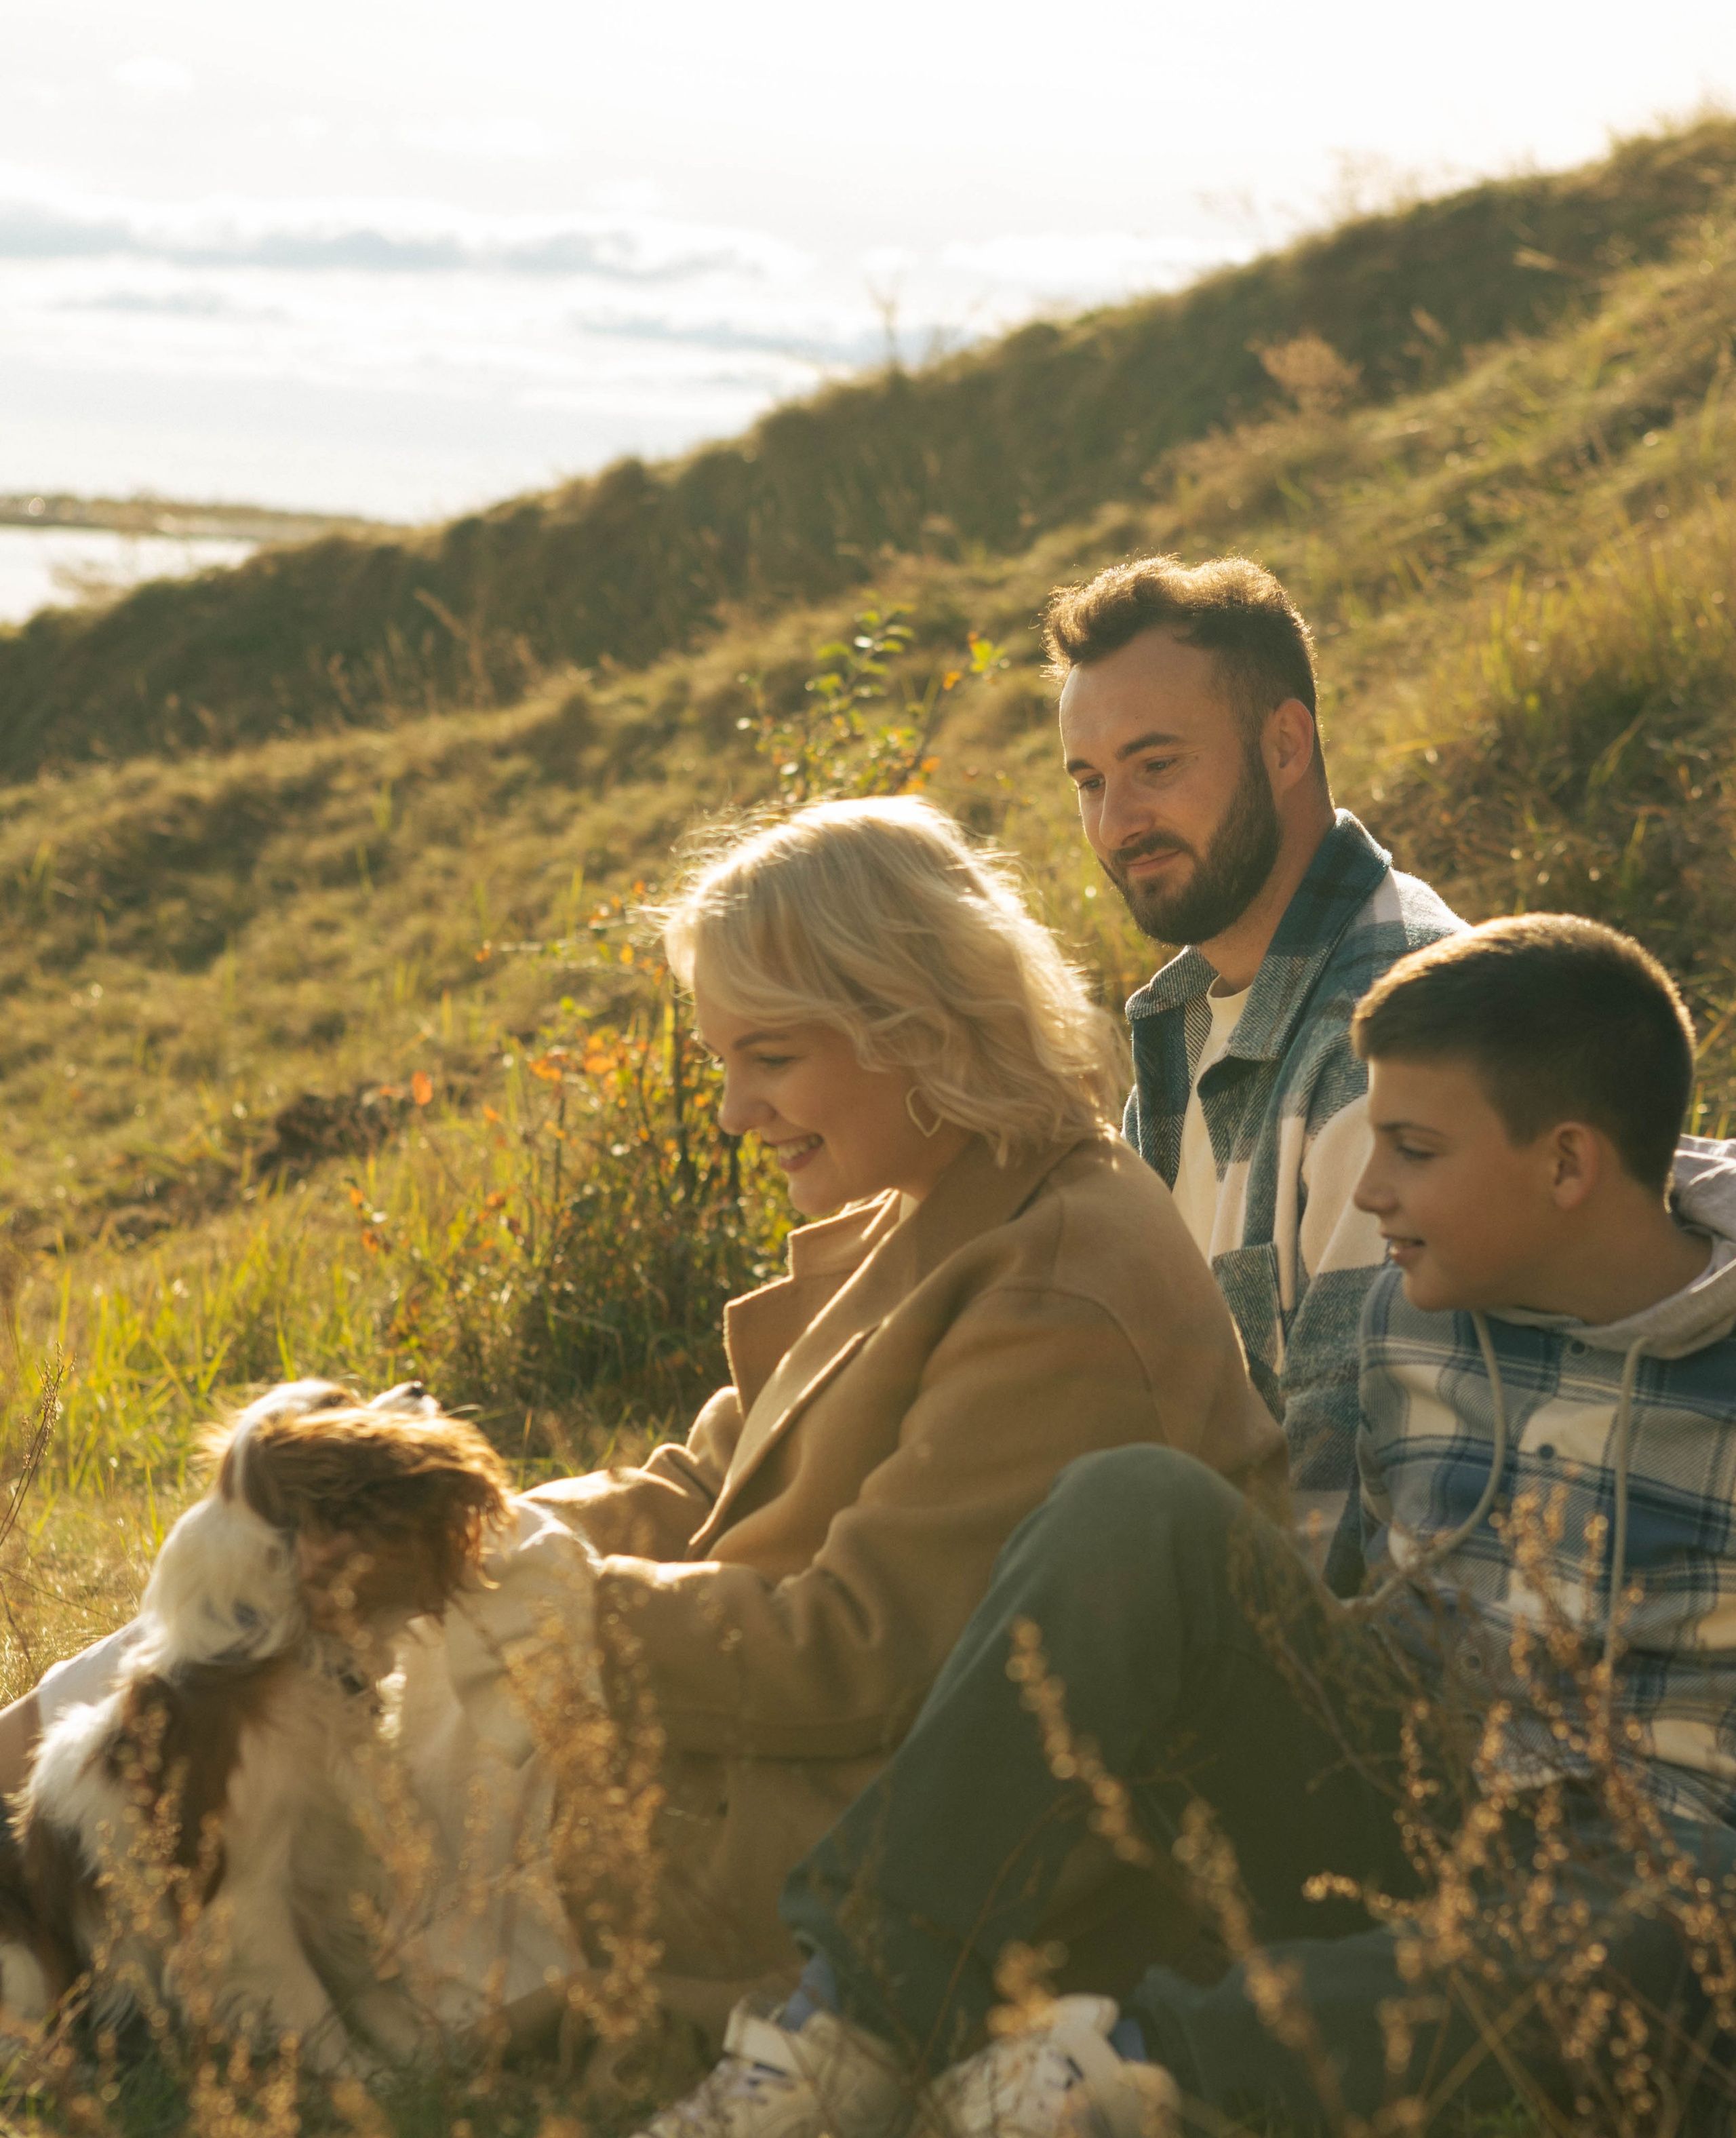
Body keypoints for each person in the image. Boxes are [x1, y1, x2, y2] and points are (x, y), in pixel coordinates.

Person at [0, 797, 1283, 2036]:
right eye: (725, 1062)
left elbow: (865, 1656)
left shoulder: (1055, 1284)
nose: (733, 1112)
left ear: (917, 1022)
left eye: (769, 1059)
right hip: (731, 1753)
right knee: (240, 1631)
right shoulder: (938, 1204)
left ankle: (74, 1930)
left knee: (273, 1756)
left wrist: (535, 1597)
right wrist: (455, 1535)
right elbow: (700, 1485)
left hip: (796, 1825)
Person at [559, 913, 1736, 2138]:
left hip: (1643, 1872)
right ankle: (842, 2037)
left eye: (1408, 1151)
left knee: (1662, 1937)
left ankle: (1122, 2070)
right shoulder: (1427, 1293)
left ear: (1568, 1164)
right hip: (1401, 1798)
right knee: (1138, 1507)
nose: (1366, 1195)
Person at [1048, 554, 1461, 1584]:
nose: (1115, 825)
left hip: (1319, 1673)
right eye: (1091, 782)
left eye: (1156, 766)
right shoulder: (1187, 1015)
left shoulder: (1388, 1044)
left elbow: (1344, 1527)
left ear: (1285, 744)